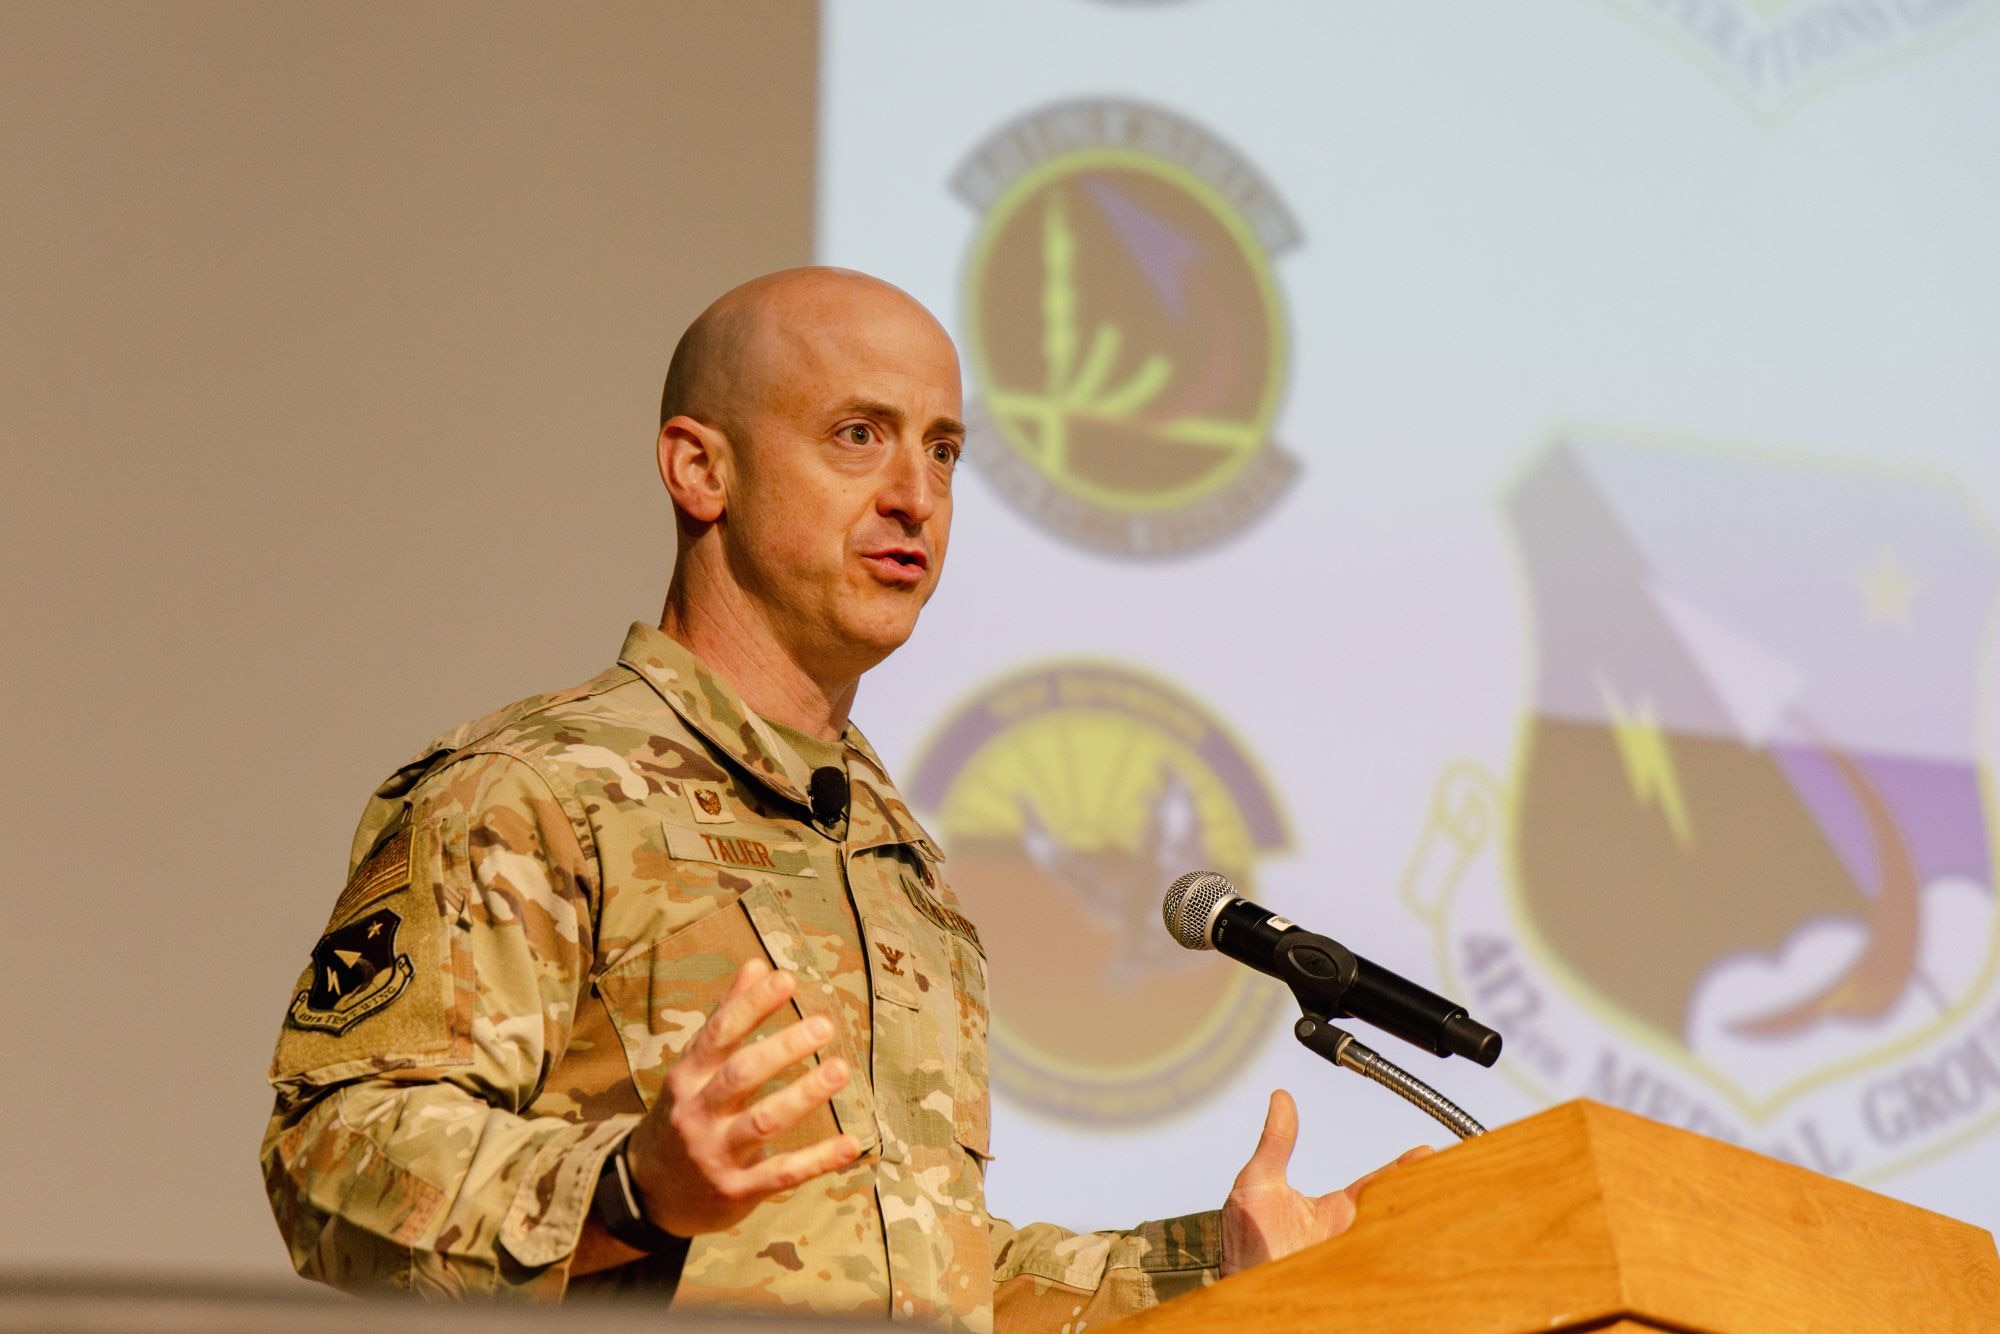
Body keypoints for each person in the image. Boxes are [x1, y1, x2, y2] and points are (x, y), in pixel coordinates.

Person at [260, 267, 1429, 1329]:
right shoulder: (536, 791)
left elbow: (918, 1265)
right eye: (857, 435)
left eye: (944, 450)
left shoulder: (890, 851)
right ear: (697, 467)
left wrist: (1209, 1269)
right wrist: (629, 1187)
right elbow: (329, 1157)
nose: (915, 494)